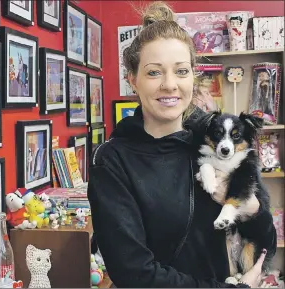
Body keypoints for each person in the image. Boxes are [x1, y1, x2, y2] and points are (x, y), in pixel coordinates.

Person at [87, 2, 277, 288]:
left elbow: (266, 245)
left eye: (181, 71)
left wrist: (252, 209)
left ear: (193, 76)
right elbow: (134, 274)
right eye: (154, 72)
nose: (169, 84)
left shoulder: (213, 146)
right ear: (132, 80)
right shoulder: (114, 160)